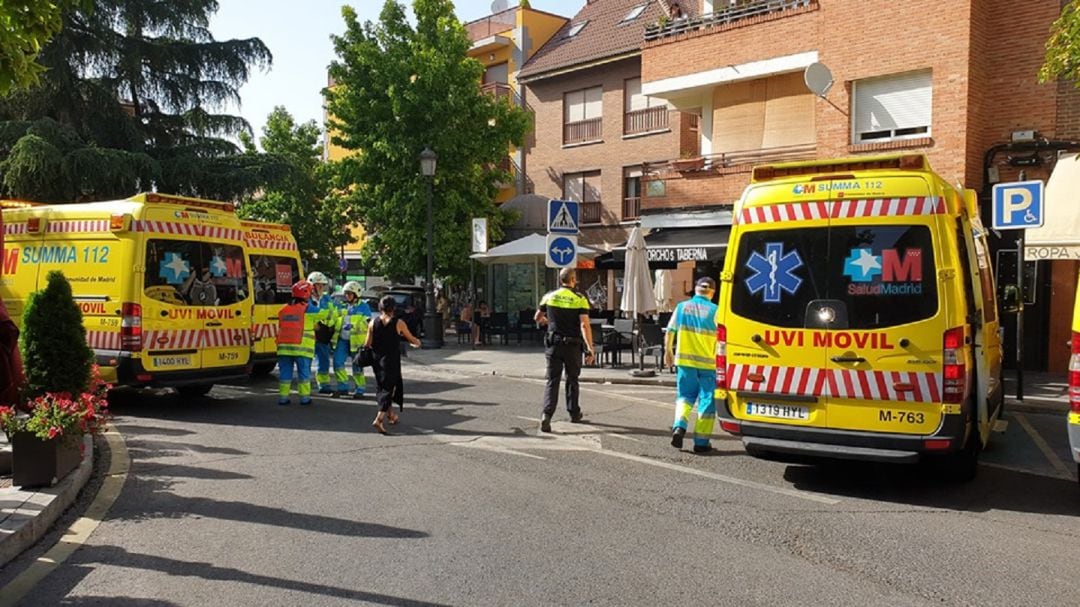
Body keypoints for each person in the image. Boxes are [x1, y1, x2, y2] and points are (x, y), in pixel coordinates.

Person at [534, 268, 595, 433]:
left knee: (552, 380)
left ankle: (546, 415)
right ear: (573, 279)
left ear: (561, 280)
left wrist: (549, 322)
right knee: (572, 379)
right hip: (572, 345)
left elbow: (537, 317)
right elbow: (584, 325)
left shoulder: (549, 297)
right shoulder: (580, 299)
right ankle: (574, 413)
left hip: (553, 344)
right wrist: (590, 347)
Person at [664, 277, 720, 453]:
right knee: (707, 401)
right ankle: (701, 443)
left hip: (685, 362)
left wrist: (668, 352)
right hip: (708, 364)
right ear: (712, 292)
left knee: (685, 397)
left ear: (695, 290)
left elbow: (670, 331)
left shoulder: (682, 307)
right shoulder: (717, 311)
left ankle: (679, 426)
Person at [365, 295, 421, 434]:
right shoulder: (398, 323)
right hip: (391, 361)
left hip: (377, 361)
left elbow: (367, 344)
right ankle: (379, 418)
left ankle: (392, 415)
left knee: (383, 387)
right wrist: (417, 343)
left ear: (380, 308)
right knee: (390, 390)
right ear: (393, 308)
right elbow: (411, 338)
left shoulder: (373, 322)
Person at [275, 281, 316, 406]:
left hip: (284, 347)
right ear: (306, 293)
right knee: (303, 374)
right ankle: (304, 398)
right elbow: (327, 315)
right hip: (302, 348)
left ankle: (283, 398)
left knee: (285, 373)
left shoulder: (284, 309)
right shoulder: (308, 308)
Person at [333, 281, 372, 398]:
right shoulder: (342, 306)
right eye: (346, 294)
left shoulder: (364, 307)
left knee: (357, 367)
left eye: (349, 294)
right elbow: (334, 318)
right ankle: (343, 387)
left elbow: (367, 323)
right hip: (343, 340)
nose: (347, 296)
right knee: (337, 363)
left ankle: (359, 389)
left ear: (356, 294)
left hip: (356, 342)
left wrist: (353, 325)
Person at [307, 271, 336, 394]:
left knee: (323, 361)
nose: (321, 288)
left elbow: (334, 312)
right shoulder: (305, 299)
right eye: (318, 285)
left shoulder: (327, 299)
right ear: (311, 286)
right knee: (305, 362)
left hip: (323, 334)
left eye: (322, 285)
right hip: (309, 335)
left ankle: (323, 385)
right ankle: (305, 387)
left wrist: (329, 326)